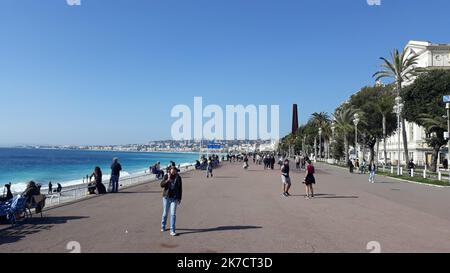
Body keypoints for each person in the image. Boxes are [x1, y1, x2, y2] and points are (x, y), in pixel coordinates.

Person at [160, 166, 183, 236]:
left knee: (173, 214)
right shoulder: (166, 176)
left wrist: (179, 198)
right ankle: (163, 226)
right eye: (172, 170)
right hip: (166, 198)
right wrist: (168, 180)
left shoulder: (178, 177)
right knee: (165, 213)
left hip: (174, 198)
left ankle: (172, 230)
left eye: (174, 170)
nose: (173, 171)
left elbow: (180, 189)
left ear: (176, 171)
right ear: (170, 170)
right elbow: (161, 185)